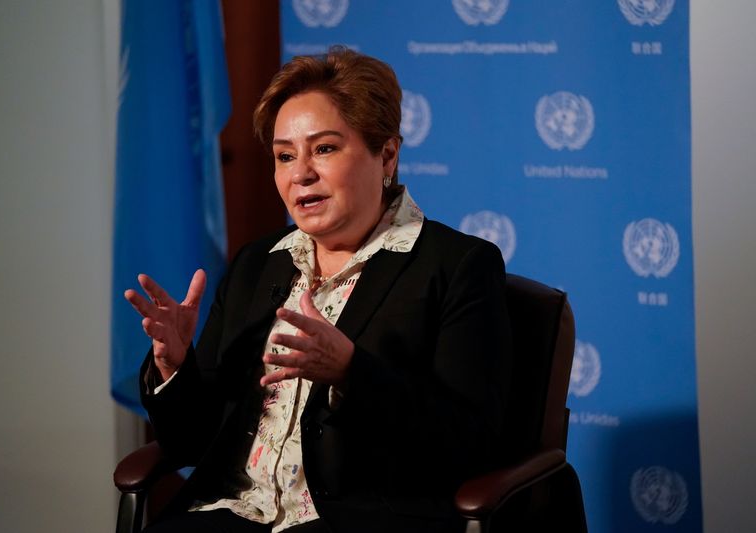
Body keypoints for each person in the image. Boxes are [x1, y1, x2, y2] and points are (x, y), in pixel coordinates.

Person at [124, 47, 513, 533]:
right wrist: (174, 365)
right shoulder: (256, 265)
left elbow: (468, 444)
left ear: (386, 153)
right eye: (285, 156)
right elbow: (190, 443)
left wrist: (351, 371)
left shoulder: (456, 267)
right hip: (233, 510)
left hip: (357, 518)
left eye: (324, 149)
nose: (300, 173)